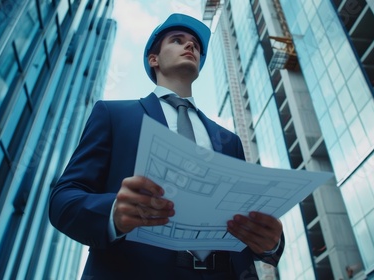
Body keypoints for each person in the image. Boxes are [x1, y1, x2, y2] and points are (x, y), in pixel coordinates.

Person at [49, 13, 284, 279]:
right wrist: (113, 212)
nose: (191, 46)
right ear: (154, 59)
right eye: (177, 40)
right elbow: (63, 199)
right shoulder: (113, 115)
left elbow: (245, 218)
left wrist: (271, 242)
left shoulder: (229, 140)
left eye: (195, 44)